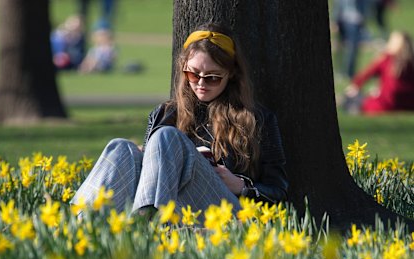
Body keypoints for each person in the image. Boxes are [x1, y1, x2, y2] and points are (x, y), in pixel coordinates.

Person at [71, 23, 288, 221]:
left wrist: (241, 186)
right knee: (121, 147)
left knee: (167, 136)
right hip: (177, 207)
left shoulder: (257, 119)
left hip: (226, 214)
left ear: (231, 74)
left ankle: (148, 224)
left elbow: (279, 191)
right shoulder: (165, 113)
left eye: (213, 77)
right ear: (184, 69)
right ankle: (79, 226)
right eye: (194, 75)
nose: (201, 84)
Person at [343, 31, 414, 115]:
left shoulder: (386, 59)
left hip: (386, 105)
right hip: (409, 105)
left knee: (353, 99)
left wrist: (355, 85)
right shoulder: (411, 61)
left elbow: (366, 74)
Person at [332, 0, 369, 78]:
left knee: (353, 48)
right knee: (340, 48)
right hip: (342, 21)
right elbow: (338, 5)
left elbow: (364, 7)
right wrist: (335, 20)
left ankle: (349, 72)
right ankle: (340, 71)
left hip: (355, 22)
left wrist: (363, 22)